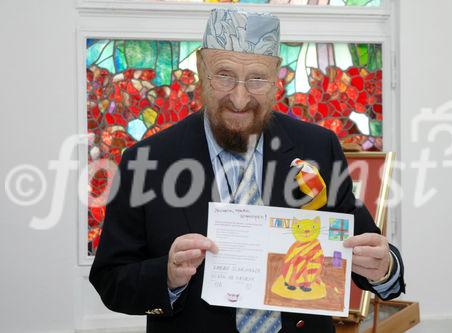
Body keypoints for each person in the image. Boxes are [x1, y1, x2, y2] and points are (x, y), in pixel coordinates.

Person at [90, 8, 405, 333]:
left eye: (256, 79)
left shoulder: (318, 147)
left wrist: (383, 268)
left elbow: (364, 247)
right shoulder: (146, 161)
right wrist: (167, 276)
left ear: (276, 77)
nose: (239, 99)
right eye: (224, 75)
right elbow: (110, 279)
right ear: (201, 67)